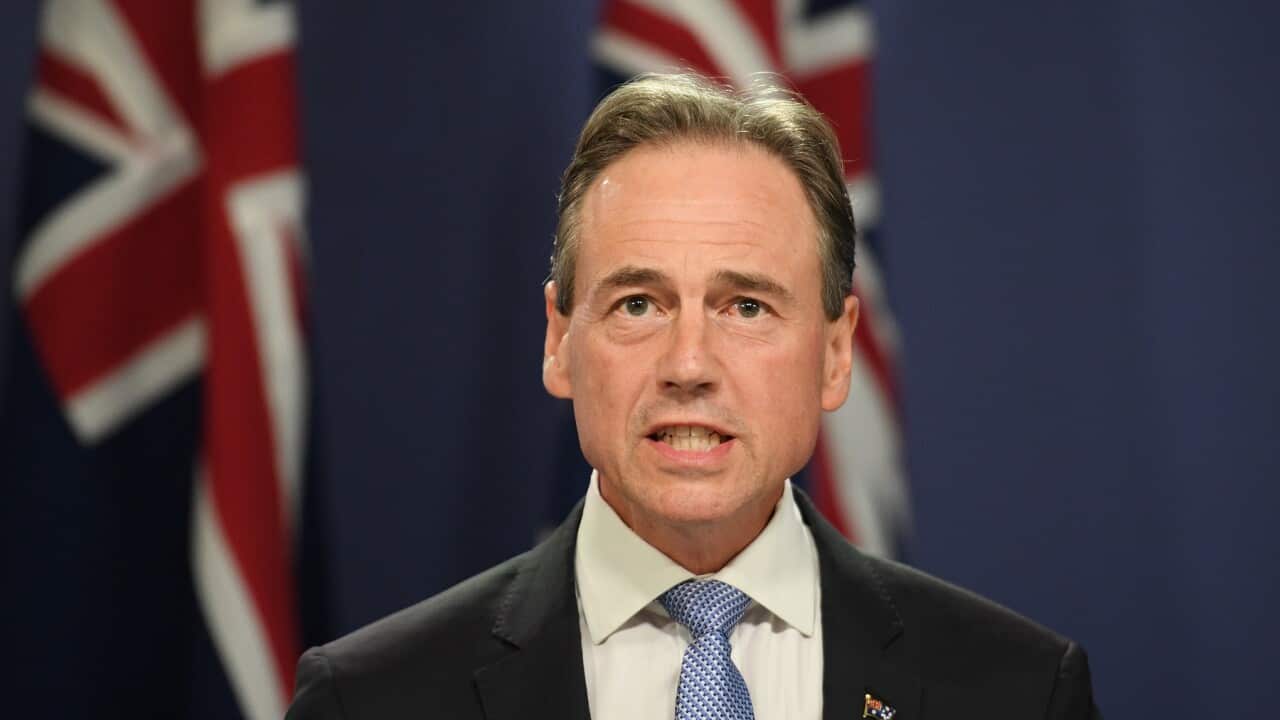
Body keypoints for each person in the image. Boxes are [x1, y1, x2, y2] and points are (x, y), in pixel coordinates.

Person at [286, 73, 1100, 720]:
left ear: (836, 352)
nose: (689, 363)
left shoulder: (1019, 692)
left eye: (746, 306)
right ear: (559, 340)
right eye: (638, 303)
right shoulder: (370, 700)